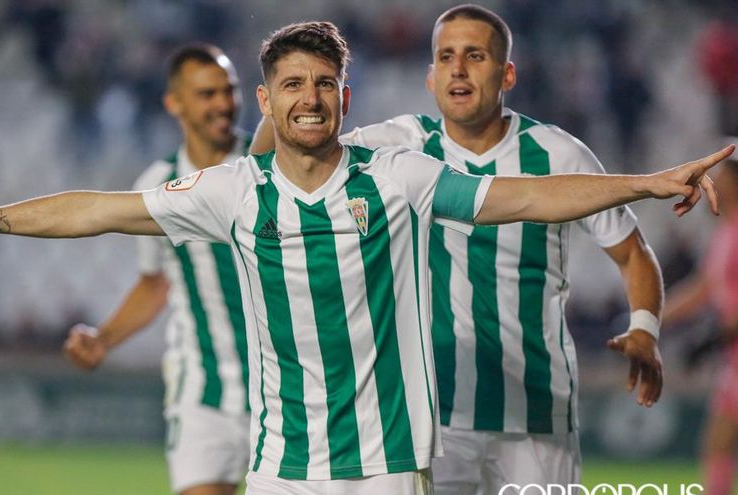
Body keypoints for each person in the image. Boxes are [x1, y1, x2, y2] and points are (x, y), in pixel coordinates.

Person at [0, 21, 731, 495]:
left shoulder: (396, 176)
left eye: (323, 84)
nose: (310, 98)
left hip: (390, 464)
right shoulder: (234, 191)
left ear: (345, 98)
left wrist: (650, 181)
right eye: (292, 85)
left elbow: (529, 197)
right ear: (266, 101)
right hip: (282, 467)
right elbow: (97, 210)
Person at [251, 5, 666, 493]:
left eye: (475, 55)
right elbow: (273, 159)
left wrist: (645, 328)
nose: (459, 69)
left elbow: (633, 251)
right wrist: (295, 79)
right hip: (434, 414)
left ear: (507, 74)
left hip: (536, 409)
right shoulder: (399, 146)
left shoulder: (558, 153)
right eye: (446, 57)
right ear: (431, 77)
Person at [62, 44, 251, 495]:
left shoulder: (269, 165)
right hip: (203, 390)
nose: (223, 103)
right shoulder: (156, 185)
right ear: (174, 103)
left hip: (287, 389)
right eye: (206, 94)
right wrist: (103, 338)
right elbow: (155, 283)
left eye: (229, 90)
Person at [663, 150, 738, 495]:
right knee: (716, 444)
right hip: (730, 353)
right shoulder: (726, 232)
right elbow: (704, 287)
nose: (713, 183)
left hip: (728, 344)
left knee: (718, 442)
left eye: (721, 176)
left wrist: (713, 337)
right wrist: (652, 317)